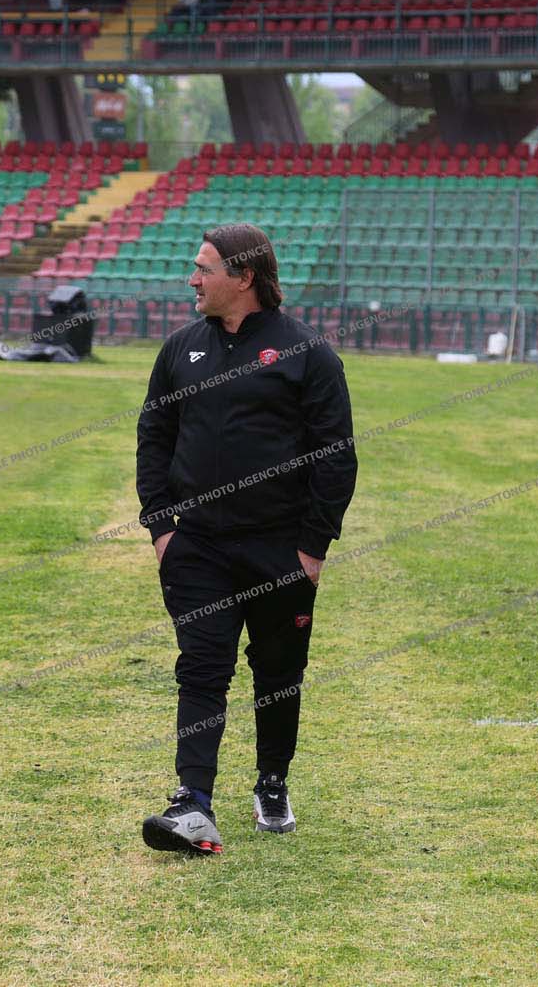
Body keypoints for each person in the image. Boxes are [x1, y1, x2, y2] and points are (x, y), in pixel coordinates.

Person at [135, 223, 357, 855]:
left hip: (279, 549)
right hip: (197, 547)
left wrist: (312, 548)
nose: (192, 280)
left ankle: (272, 783)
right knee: (201, 668)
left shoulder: (307, 353)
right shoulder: (180, 349)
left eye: (204, 269)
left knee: (278, 672)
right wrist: (162, 528)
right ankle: (193, 803)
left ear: (244, 277)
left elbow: (336, 456)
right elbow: (154, 439)